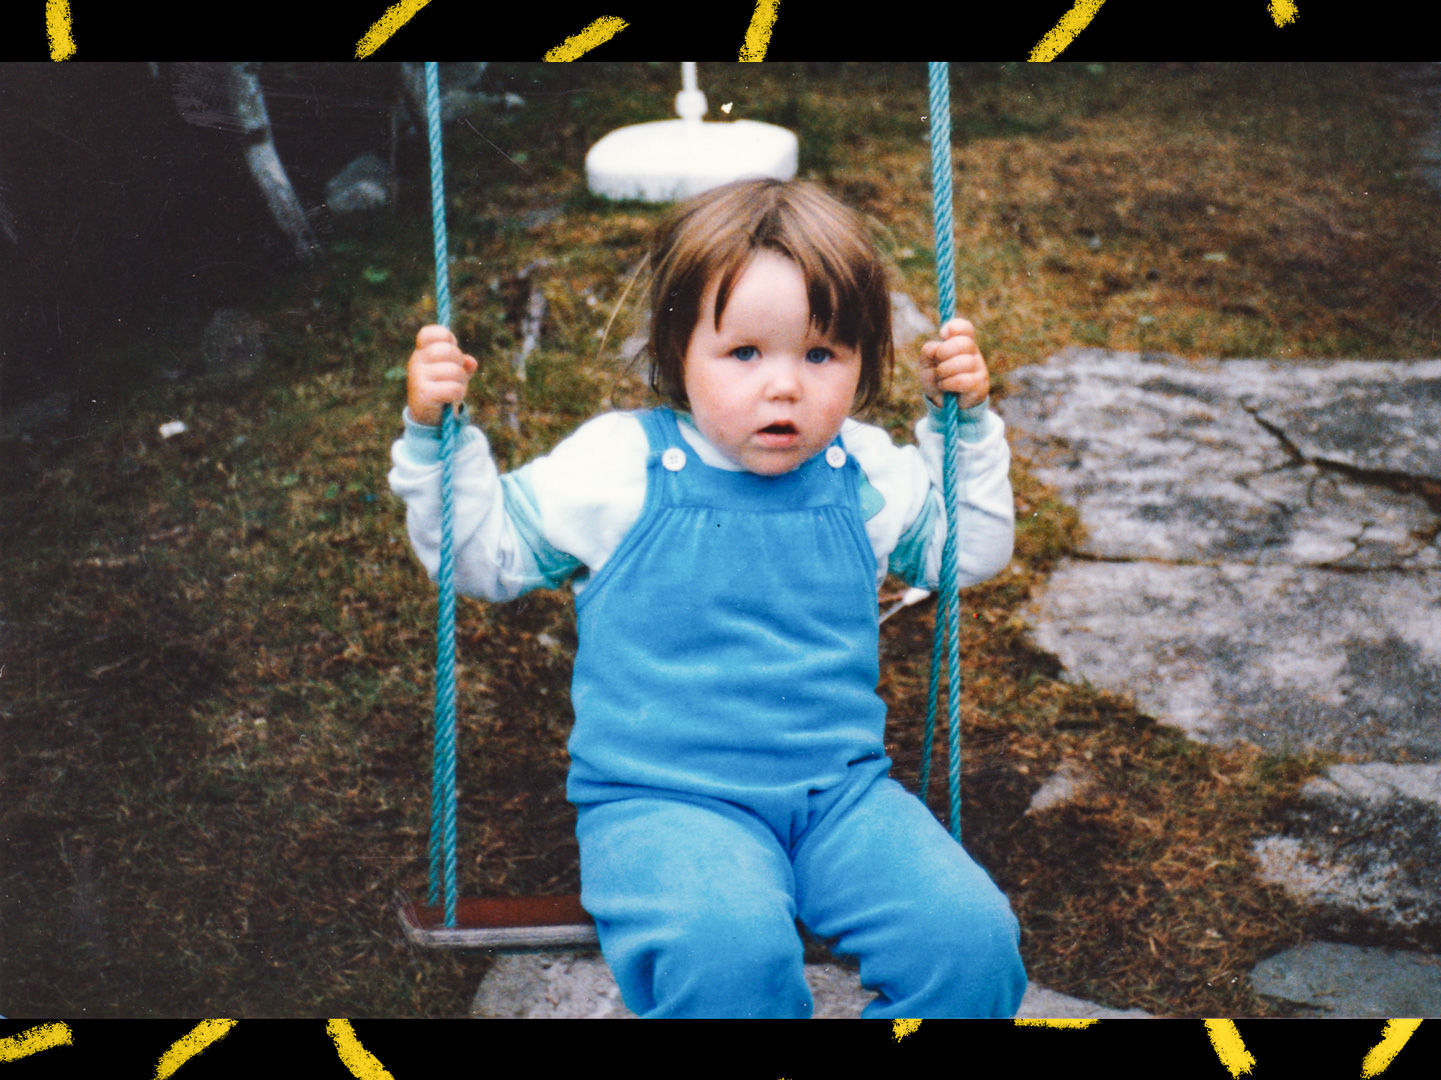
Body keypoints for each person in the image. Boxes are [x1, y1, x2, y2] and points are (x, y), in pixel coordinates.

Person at [388, 178, 1026, 1018]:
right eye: (745, 353)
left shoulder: (863, 472)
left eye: (822, 354)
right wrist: (437, 440)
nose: (785, 386)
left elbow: (969, 550)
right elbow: (482, 557)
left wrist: (965, 428)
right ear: (678, 352)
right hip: (663, 805)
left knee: (973, 947)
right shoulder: (620, 468)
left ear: (866, 360)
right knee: (730, 961)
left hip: (839, 797)